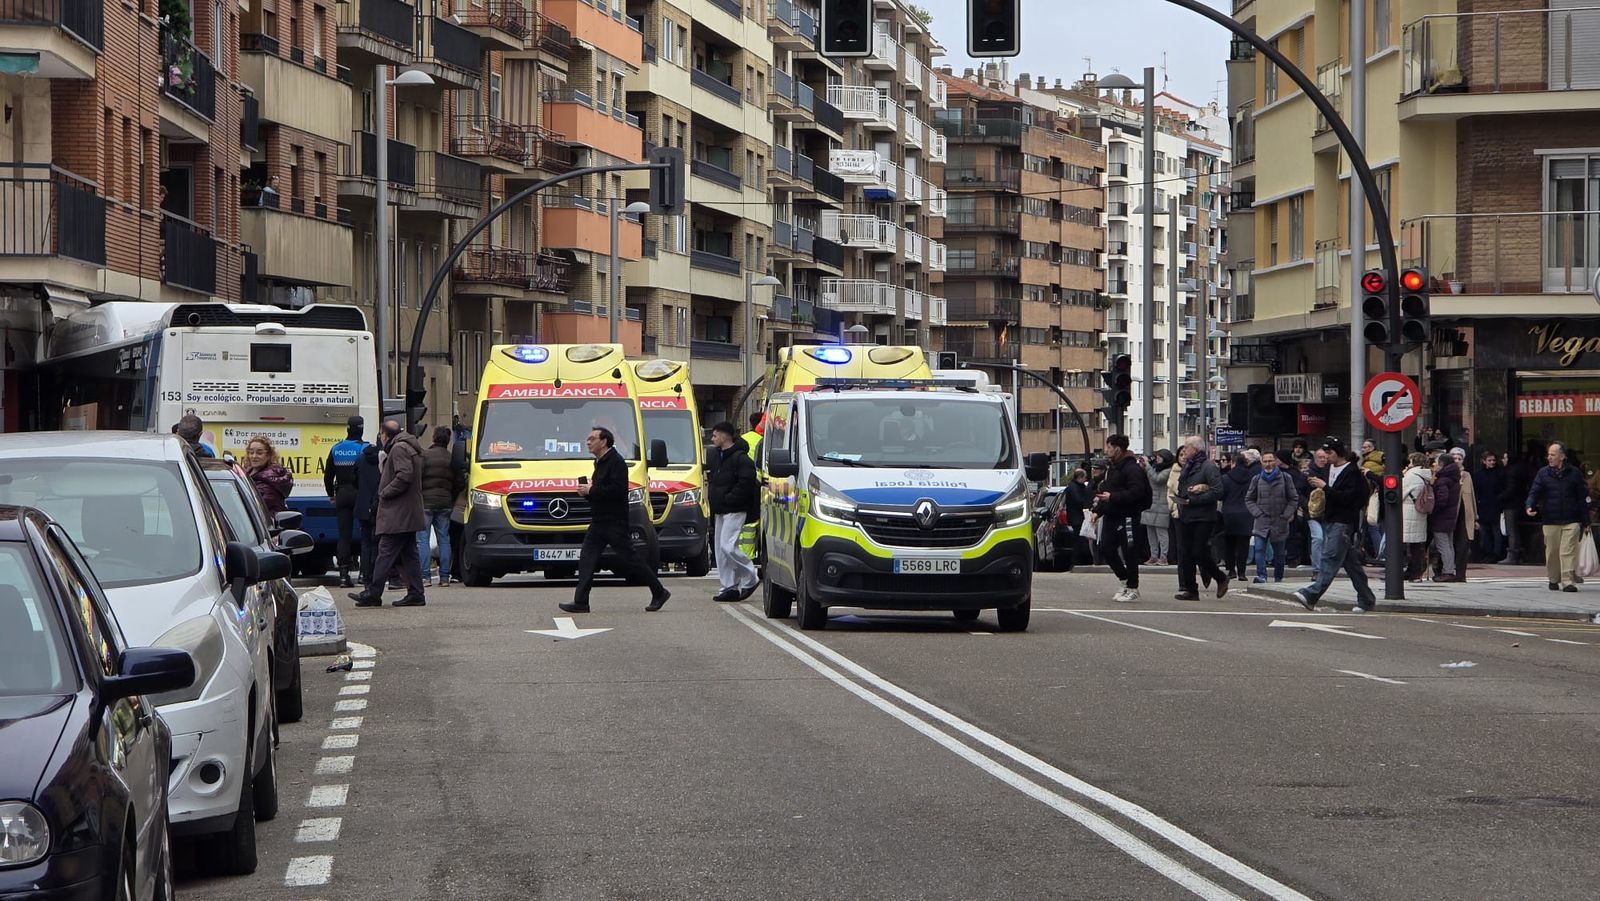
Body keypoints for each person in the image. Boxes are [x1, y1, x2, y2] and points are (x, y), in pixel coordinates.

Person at [561, 427, 671, 613]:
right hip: (599, 522)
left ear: (604, 441)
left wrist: (592, 490)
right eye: (588, 439)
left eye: (592, 439)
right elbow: (602, 492)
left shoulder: (616, 462)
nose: (588, 442)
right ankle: (581, 602)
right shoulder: (600, 462)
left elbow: (618, 491)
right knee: (587, 559)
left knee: (631, 559)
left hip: (614, 522)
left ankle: (659, 591)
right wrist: (587, 493)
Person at [349, 418, 427, 608]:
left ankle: (373, 593)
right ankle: (416, 593)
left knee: (385, 551)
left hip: (398, 512)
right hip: (408, 511)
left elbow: (404, 475)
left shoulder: (399, 448)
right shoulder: (408, 446)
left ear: (384, 434)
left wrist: (384, 492)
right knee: (409, 554)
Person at [1293, 437, 1377, 612]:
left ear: (1338, 453)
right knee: (1351, 565)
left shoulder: (1352, 472)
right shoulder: (1327, 469)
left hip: (1343, 521)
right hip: (1329, 519)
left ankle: (1312, 594)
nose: (1326, 457)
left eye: (1329, 453)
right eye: (1324, 453)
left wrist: (1325, 487)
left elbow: (1349, 499)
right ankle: (1366, 599)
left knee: (1330, 557)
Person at [1091, 434, 1151, 603]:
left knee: (1129, 551)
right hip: (1111, 514)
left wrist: (1113, 497)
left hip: (1128, 516)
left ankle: (1133, 587)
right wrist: (1097, 511)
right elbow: (1106, 492)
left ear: (1117, 449)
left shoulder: (1132, 468)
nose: (1106, 450)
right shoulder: (1112, 468)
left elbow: (1137, 492)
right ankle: (1124, 579)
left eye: (1109, 447)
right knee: (1106, 548)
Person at [1525, 441, 1590, 593]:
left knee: (1567, 552)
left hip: (1571, 519)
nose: (1549, 457)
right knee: (1552, 552)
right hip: (1550, 519)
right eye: (1548, 454)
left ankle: (1568, 582)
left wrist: (1586, 521)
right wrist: (1529, 505)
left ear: (1562, 456)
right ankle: (1553, 579)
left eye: (1553, 455)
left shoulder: (1574, 473)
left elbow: (1581, 498)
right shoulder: (1543, 473)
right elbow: (1534, 492)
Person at [706, 421, 760, 602]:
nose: (712, 439)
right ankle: (728, 586)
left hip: (735, 509)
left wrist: (730, 498)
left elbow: (746, 483)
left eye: (715, 435)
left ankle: (751, 577)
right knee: (720, 550)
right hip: (720, 509)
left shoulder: (741, 458)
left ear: (724, 436)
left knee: (727, 546)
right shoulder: (717, 456)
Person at [1174, 436, 1229, 600]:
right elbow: (1183, 488)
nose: (1184, 450)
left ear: (1195, 449)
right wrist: (1181, 498)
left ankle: (1220, 577)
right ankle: (1191, 590)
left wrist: (1194, 499)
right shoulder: (1188, 467)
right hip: (1186, 515)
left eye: (1187, 447)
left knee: (1198, 552)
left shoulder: (1208, 467)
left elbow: (1218, 491)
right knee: (1185, 553)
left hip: (1203, 516)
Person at [324, 416, 368, 587]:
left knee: (344, 536)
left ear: (347, 429)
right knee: (366, 535)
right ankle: (364, 574)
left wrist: (331, 494)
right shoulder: (364, 448)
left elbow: (328, 475)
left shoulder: (336, 448)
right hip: (360, 495)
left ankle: (343, 575)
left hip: (342, 494)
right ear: (362, 429)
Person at [417, 426, 460, 588]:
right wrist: (451, 497)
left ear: (434, 438)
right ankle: (444, 577)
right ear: (448, 440)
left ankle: (425, 577)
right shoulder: (452, 458)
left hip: (425, 503)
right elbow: (459, 482)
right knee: (444, 540)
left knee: (423, 539)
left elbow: (417, 478)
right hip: (445, 503)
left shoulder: (425, 456)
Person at [1246, 450, 1298, 583]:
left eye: (1270, 461)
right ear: (1261, 463)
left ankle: (1278, 578)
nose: (1268, 464)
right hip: (1261, 521)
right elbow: (1249, 499)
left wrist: (1286, 514)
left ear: (1275, 462)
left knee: (1279, 553)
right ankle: (1262, 576)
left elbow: (1293, 498)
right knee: (1259, 549)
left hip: (1279, 521)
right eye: (1265, 461)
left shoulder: (1286, 478)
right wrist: (1257, 513)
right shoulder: (1256, 479)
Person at [1501, 443, 1540, 564]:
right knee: (1514, 529)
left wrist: (1500, 497)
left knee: (1511, 530)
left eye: (1505, 458)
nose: (1503, 460)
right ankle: (1517, 553)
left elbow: (1511, 489)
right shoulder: (1521, 468)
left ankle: (1513, 554)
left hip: (1511, 504)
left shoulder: (1511, 471)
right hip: (1518, 502)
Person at [1220, 452, 1256, 580]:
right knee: (1243, 545)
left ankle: (1231, 570)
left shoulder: (1226, 478)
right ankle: (1242, 572)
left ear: (1233, 463)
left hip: (1229, 513)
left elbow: (1221, 495)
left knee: (1229, 544)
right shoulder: (1252, 478)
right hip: (1246, 513)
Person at [1429, 448, 1463, 582]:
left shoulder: (1443, 480)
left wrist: (1433, 510)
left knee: (1443, 545)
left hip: (1441, 517)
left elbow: (1442, 499)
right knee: (1449, 545)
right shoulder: (1453, 477)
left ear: (1442, 464)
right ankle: (1449, 570)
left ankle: (1448, 571)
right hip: (1449, 517)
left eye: (1437, 462)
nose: (1435, 465)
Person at [1402, 452, 1435, 581]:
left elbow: (1400, 493)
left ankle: (1412, 571)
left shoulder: (1411, 475)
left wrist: (1403, 476)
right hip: (1419, 512)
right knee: (1416, 544)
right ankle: (1415, 571)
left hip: (1408, 511)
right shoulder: (1425, 475)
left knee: (1405, 543)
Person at [354, 442, 382, 587]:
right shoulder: (383, 460)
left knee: (365, 544)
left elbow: (354, 480)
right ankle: (376, 575)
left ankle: (365, 576)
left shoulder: (360, 459)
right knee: (377, 544)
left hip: (363, 506)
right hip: (378, 506)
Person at [244, 435, 294, 517]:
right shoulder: (248, 474)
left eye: (259, 453)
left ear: (268, 455)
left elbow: (253, 509)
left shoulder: (267, 484)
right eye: (251, 452)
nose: (254, 456)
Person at [1140, 449, 1175, 565]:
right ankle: (1153, 556)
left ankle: (1163, 557)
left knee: (1161, 533)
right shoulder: (1154, 468)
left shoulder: (1168, 470)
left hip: (1162, 505)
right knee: (1150, 532)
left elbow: (1157, 479)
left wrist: (1147, 466)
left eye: (1160, 456)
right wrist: (1144, 467)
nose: (1157, 458)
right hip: (1150, 503)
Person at [1473, 450, 1507, 563]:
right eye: (1489, 460)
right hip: (1483, 506)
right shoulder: (1478, 475)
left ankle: (1496, 554)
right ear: (1483, 461)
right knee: (1485, 533)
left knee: (1496, 531)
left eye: (1493, 460)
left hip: (1495, 506)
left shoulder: (1500, 473)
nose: (1492, 462)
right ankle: (1488, 553)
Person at [1451, 447, 1477, 581]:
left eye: (1459, 458)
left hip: (1466, 515)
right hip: (1450, 515)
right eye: (1454, 458)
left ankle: (1461, 574)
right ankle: (1445, 571)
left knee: (1464, 545)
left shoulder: (1467, 475)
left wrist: (1475, 516)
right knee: (1447, 544)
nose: (1457, 461)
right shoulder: (1446, 473)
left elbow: (1471, 496)